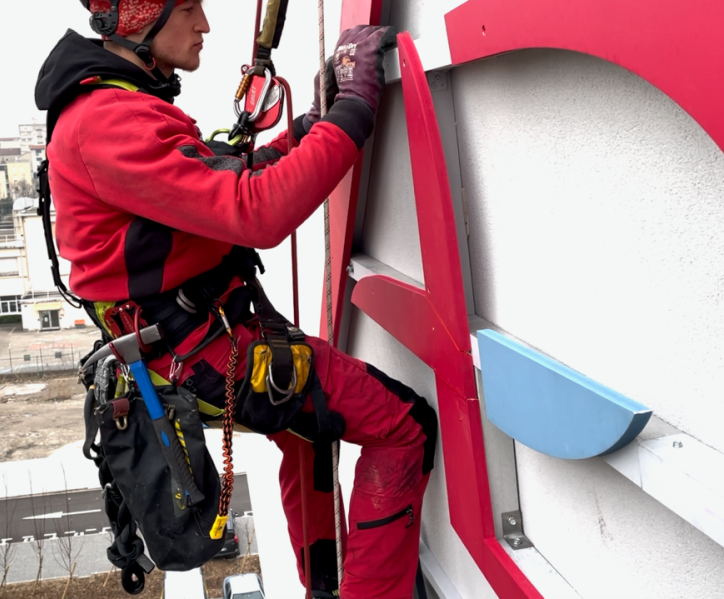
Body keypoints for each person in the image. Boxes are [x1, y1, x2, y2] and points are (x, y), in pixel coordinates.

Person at [35, 1, 437, 597]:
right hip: (204, 350)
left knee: (310, 430)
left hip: (194, 341)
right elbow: (258, 209)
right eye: (191, 8)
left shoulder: (118, 108)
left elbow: (229, 176)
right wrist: (354, 107)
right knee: (404, 427)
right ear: (139, 20)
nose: (204, 25)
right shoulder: (107, 120)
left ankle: (326, 584)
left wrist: (309, 122)